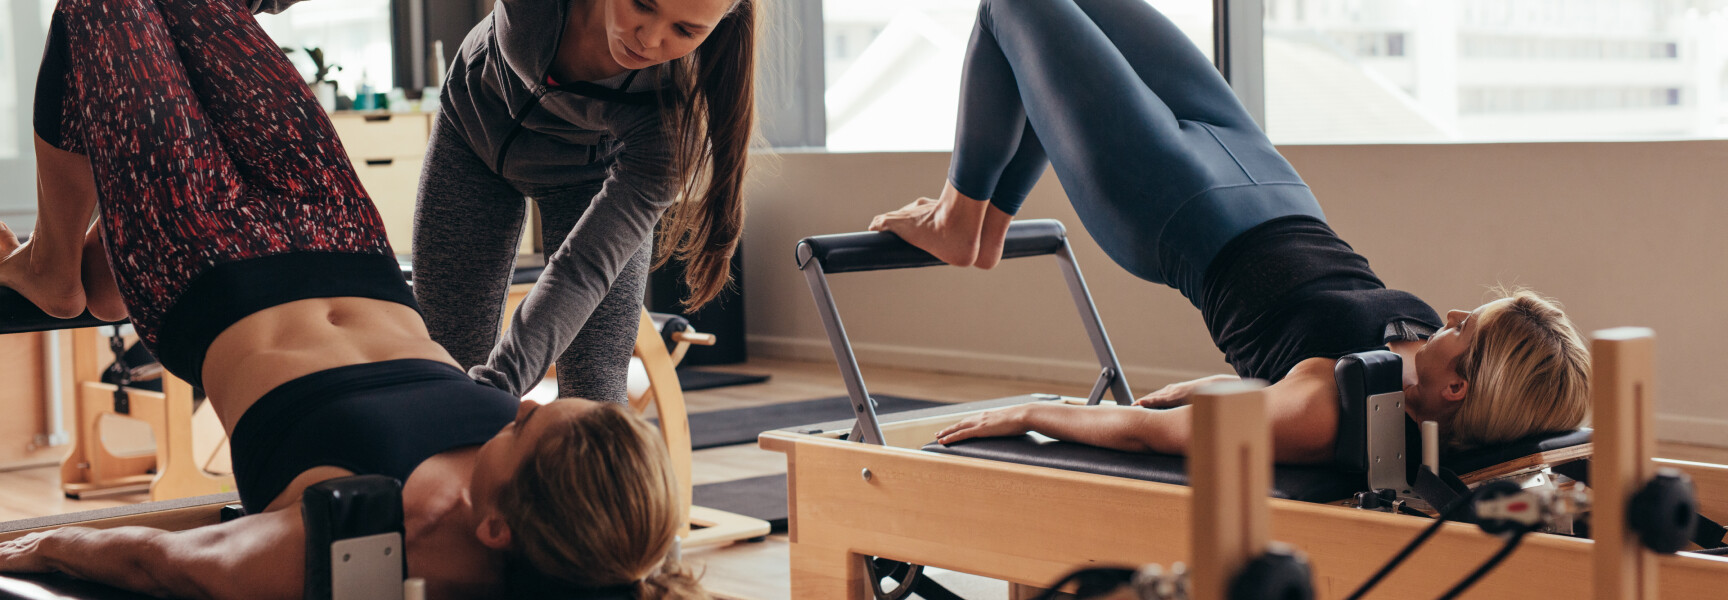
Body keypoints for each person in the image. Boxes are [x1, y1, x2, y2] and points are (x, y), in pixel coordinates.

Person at [0, 0, 702, 597]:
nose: (515, 404)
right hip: (342, 236)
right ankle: (84, 262)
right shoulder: (557, 498)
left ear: (495, 528)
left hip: (207, 272)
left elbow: (170, 565)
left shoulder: (367, 531)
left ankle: (62, 264)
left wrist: (46, 546)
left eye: (521, 429)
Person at [872, 0, 1590, 461]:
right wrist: (1219, 383)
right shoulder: (1415, 363)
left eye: (1468, 330)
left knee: (1013, 5)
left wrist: (1035, 411)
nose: (1455, 315)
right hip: (1259, 170)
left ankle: (961, 219)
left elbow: (1158, 434)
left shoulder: (1324, 410)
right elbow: (1273, 372)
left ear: (1460, 390)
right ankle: (982, 225)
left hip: (1170, 207)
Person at [413, 0, 756, 403]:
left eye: (685, 31)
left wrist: (500, 384)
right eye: (642, 4)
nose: (649, 39)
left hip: (590, 180)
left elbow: (581, 272)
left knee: (595, 395)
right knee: (444, 369)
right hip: (471, 133)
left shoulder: (667, 122)